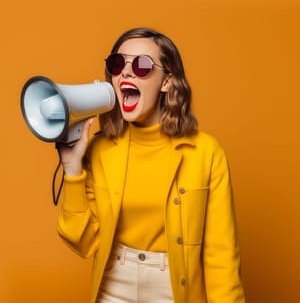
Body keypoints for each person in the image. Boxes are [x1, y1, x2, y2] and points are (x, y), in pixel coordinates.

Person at [56, 27, 245, 302]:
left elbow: (222, 256)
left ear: (167, 81)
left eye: (143, 65)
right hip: (114, 283)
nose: (127, 72)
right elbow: (82, 242)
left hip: (173, 287)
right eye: (118, 64)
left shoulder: (205, 153)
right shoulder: (100, 150)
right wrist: (72, 170)